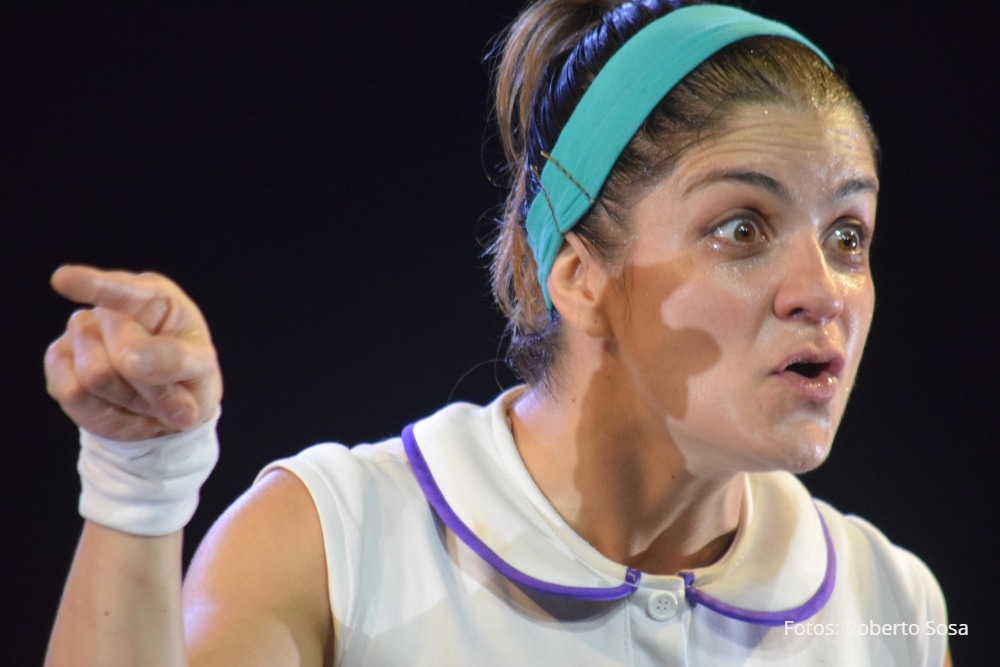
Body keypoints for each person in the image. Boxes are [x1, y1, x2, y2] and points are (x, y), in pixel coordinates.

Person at [43, 1, 951, 665]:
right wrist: (139, 487)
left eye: (847, 236)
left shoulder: (898, 610)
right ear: (578, 274)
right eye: (742, 227)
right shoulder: (328, 542)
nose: (822, 291)